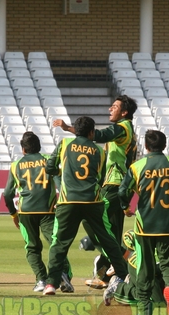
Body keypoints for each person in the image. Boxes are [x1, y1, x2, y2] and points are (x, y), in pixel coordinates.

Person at [53, 95, 137, 286]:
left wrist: (69, 129)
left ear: (124, 112)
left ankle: (125, 256)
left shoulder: (122, 128)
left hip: (115, 184)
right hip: (120, 185)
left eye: (114, 107)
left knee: (93, 221)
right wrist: (69, 128)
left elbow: (97, 135)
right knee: (112, 231)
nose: (110, 109)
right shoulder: (126, 129)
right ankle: (108, 277)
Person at [43, 116, 129, 299]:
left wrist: (62, 173)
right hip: (92, 201)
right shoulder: (100, 151)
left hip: (68, 201)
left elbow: (49, 167)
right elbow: (100, 178)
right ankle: (123, 275)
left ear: (76, 129)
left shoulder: (64, 143)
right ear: (91, 132)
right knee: (108, 239)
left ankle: (51, 283)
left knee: (59, 243)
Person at [118, 129, 169, 315]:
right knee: (168, 262)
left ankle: (144, 309)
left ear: (145, 146)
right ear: (164, 146)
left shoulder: (137, 166)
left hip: (144, 225)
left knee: (144, 267)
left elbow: (123, 191)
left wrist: (125, 207)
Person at [3, 131, 72, 292]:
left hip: (25, 213)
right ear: (39, 147)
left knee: (32, 247)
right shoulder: (48, 161)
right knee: (56, 244)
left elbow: (7, 193)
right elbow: (61, 186)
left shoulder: (16, 165)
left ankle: (41, 279)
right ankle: (63, 274)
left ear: (23, 149)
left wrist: (14, 214)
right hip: (48, 211)